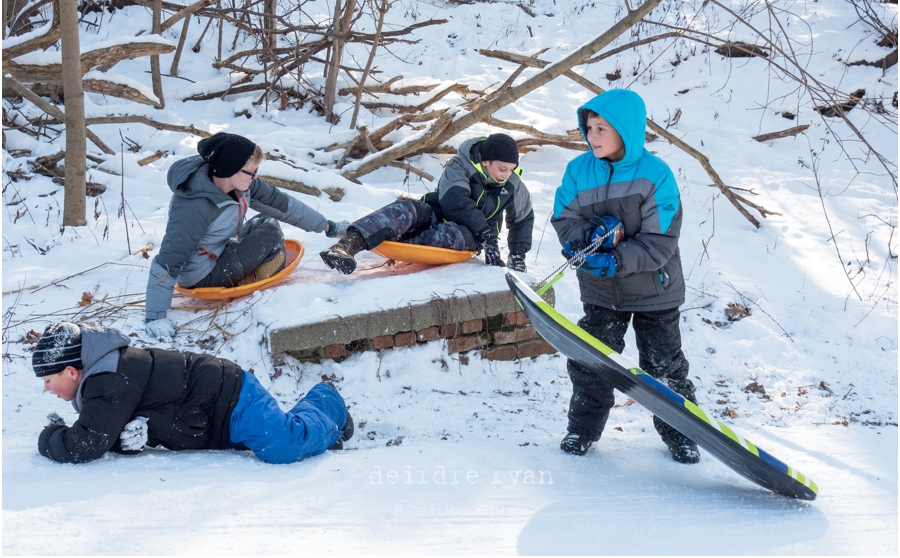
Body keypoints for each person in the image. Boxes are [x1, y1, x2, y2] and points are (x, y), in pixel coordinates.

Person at [551, 89, 699, 464]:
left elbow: (659, 241)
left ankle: (683, 435)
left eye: (602, 128)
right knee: (591, 362)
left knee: (663, 367)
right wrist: (581, 240)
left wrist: (615, 258)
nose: (592, 135)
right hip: (601, 290)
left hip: (654, 289)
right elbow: (565, 218)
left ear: (626, 131)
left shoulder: (655, 175)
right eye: (589, 127)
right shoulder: (578, 171)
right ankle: (581, 430)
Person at [32, 321, 354, 464]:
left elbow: (86, 444)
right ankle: (322, 423)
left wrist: (48, 437)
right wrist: (129, 439)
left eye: (49, 380)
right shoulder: (104, 380)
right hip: (214, 420)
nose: (47, 389)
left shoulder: (108, 380)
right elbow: (111, 429)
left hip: (230, 398)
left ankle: (327, 402)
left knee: (282, 445)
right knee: (279, 440)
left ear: (72, 371)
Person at [145, 132, 349, 337]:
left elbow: (280, 204)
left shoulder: (240, 185)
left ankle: (252, 269)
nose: (256, 177)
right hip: (202, 274)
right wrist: (155, 317)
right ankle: (250, 277)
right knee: (269, 232)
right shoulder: (193, 207)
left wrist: (327, 227)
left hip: (220, 250)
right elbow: (168, 261)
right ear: (229, 169)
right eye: (251, 172)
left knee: (265, 222)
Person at [319, 133, 534, 275]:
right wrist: (487, 234)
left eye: (511, 169)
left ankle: (398, 241)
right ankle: (345, 246)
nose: (506, 175)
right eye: (501, 169)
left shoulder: (513, 184)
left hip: (468, 234)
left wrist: (517, 254)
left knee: (453, 234)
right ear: (485, 162)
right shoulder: (461, 166)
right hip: (439, 212)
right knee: (406, 208)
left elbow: (523, 218)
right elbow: (454, 202)